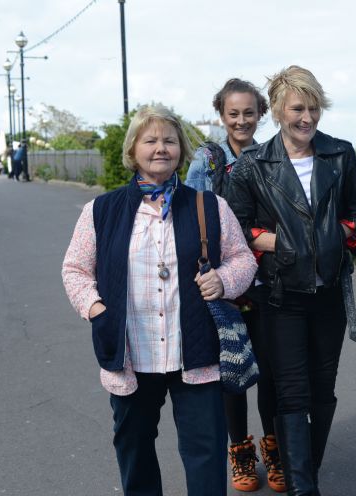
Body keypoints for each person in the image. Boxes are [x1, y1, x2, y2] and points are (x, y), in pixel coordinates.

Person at [61, 104, 258, 495]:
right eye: (150, 140)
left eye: (169, 140)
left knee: (205, 451)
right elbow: (75, 270)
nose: (161, 148)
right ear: (133, 148)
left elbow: (243, 258)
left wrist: (223, 279)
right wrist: (97, 311)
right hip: (131, 353)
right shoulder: (101, 210)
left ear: (181, 150)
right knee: (134, 449)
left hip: (196, 352)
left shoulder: (208, 206)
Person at [227, 65, 356, 495]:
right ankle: (303, 488)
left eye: (313, 108)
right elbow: (239, 226)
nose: (306, 118)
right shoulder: (252, 165)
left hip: (328, 293)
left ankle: (310, 470)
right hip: (279, 296)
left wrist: (329, 239)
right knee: (291, 393)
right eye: (297, 109)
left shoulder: (340, 155)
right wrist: (286, 244)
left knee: (323, 390)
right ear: (277, 111)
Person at [186, 79, 285, 493]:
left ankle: (274, 449)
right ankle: (240, 453)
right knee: (231, 370)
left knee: (269, 370)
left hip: (266, 280)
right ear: (221, 115)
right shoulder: (206, 160)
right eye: (233, 113)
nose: (241, 120)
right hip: (223, 284)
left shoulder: (271, 157)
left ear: (260, 113)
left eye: (248, 112)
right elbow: (189, 217)